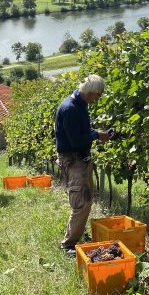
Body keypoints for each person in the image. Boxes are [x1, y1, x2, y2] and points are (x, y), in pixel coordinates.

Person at [55, 74, 110, 256]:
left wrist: (96, 133)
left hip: (81, 158)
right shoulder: (70, 109)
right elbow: (75, 140)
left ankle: (76, 233)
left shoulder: (79, 104)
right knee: (81, 202)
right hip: (74, 159)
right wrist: (96, 135)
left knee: (86, 198)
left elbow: (82, 131)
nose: (98, 99)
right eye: (98, 95)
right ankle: (69, 244)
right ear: (91, 92)